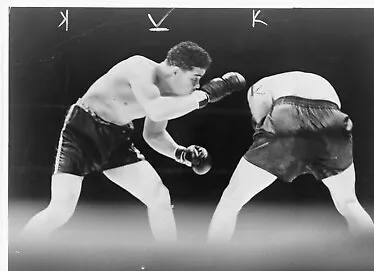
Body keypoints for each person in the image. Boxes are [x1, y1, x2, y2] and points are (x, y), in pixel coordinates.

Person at [20, 41, 245, 243]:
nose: (197, 85)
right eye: (195, 78)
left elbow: (154, 134)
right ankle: (18, 253)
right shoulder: (139, 67)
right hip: (82, 133)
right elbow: (156, 110)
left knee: (159, 197)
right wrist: (205, 96)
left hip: (117, 139)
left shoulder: (170, 97)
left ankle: (170, 263)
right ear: (176, 70)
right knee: (60, 210)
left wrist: (181, 153)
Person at [207, 71, 374, 243]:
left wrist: (270, 146)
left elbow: (261, 119)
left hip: (287, 115)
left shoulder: (257, 87)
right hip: (333, 120)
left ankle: (211, 261)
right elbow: (321, 117)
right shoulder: (308, 80)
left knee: (231, 199)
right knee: (349, 202)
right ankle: (373, 255)